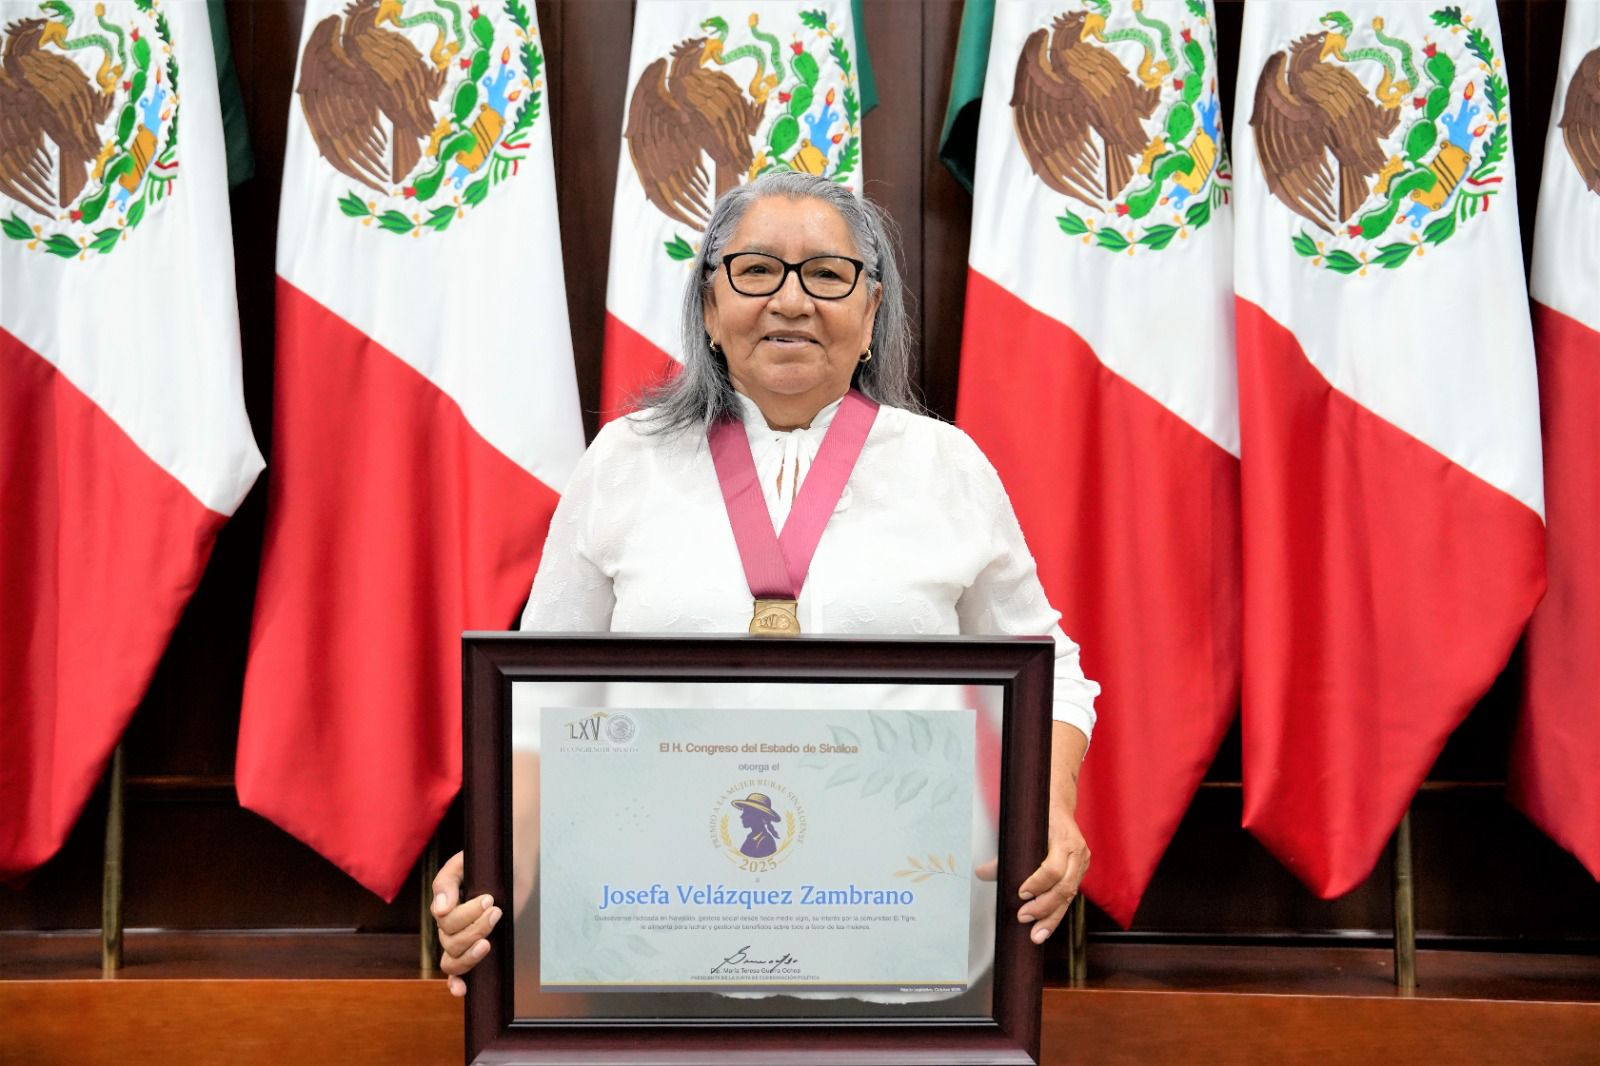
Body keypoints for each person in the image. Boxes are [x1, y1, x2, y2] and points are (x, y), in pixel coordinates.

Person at [431, 171, 1099, 997]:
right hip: (659, 941)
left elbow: (1052, 668)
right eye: (755, 271)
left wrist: (1053, 805)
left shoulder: (944, 466)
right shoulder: (625, 461)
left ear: (871, 311)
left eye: (827, 274)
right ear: (709, 307)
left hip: (896, 939)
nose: (791, 300)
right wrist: (497, 861)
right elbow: (537, 697)